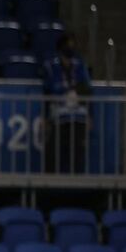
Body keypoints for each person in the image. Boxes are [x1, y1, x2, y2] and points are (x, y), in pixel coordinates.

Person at [43, 33, 92, 174]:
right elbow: (48, 91)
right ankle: (49, 185)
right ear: (60, 49)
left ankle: (78, 188)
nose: (70, 49)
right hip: (59, 117)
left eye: (72, 46)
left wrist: (90, 114)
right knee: (52, 153)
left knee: (77, 154)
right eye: (67, 46)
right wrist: (46, 117)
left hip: (78, 117)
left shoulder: (80, 65)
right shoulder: (51, 67)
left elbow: (87, 90)